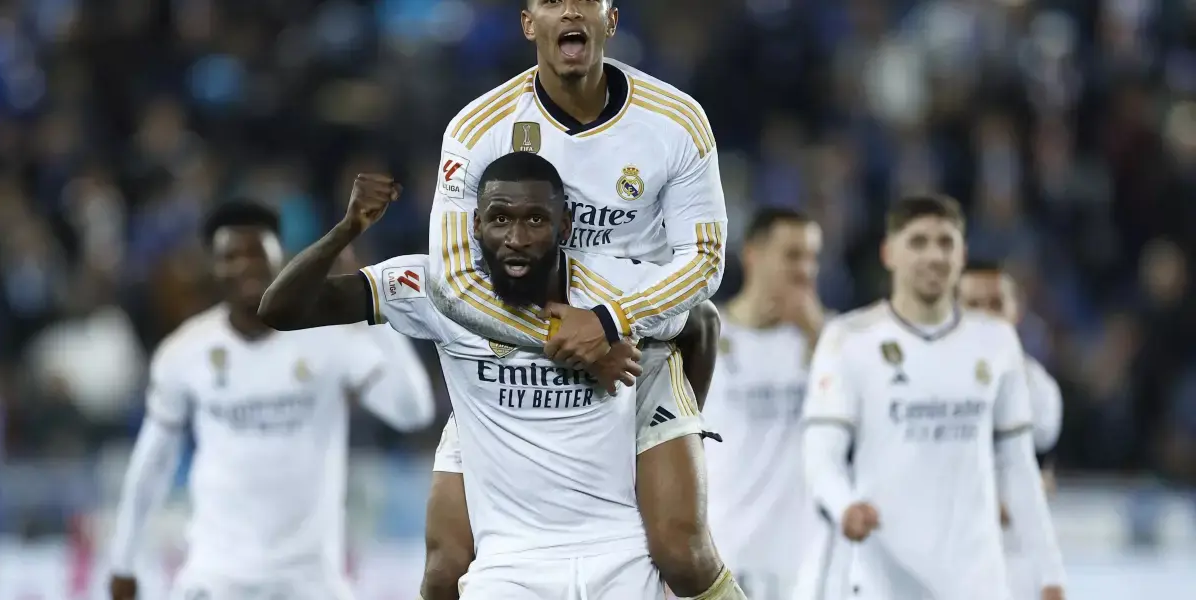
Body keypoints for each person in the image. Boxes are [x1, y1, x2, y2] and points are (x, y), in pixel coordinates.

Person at [257, 152, 737, 598]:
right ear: (475, 225)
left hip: (619, 560)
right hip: (508, 570)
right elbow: (280, 308)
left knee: (688, 558)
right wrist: (347, 229)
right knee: (443, 571)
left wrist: (676, 431)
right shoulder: (433, 287)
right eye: (500, 219)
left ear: (565, 225)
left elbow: (701, 321)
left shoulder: (616, 288)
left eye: (536, 220)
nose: (517, 237)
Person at [422, 1, 731, 596]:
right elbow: (451, 277)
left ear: (610, 20)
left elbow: (706, 259)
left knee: (682, 552)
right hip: (509, 363)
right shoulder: (476, 129)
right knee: (445, 567)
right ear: (528, 22)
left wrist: (611, 321)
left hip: (635, 358)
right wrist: (560, 338)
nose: (571, 9)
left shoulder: (677, 121)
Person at [107, 200, 435, 600]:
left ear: (281, 258)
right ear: (214, 267)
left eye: (257, 253)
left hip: (311, 581)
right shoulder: (185, 352)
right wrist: (123, 562)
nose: (246, 266)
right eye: (231, 256)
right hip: (216, 577)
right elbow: (153, 463)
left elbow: (413, 411)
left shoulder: (327, 337)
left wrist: (371, 305)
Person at [800, 195, 1066, 600]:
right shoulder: (850, 340)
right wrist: (844, 507)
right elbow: (821, 453)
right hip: (884, 579)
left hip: (978, 580)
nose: (934, 255)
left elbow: (1019, 468)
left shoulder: (995, 341)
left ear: (962, 255)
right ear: (889, 253)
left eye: (946, 242)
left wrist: (1050, 573)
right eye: (918, 242)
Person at [701, 209, 825, 600]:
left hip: (807, 562)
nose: (805, 269)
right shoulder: (705, 335)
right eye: (792, 255)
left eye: (812, 257)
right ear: (752, 254)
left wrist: (817, 335)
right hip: (724, 552)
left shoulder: (832, 342)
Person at [959, 261, 1064, 600]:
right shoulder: (923, 379)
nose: (986, 315)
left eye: (996, 303)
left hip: (1009, 557)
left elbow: (1041, 475)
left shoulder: (1039, 391)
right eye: (973, 305)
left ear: (1015, 311)